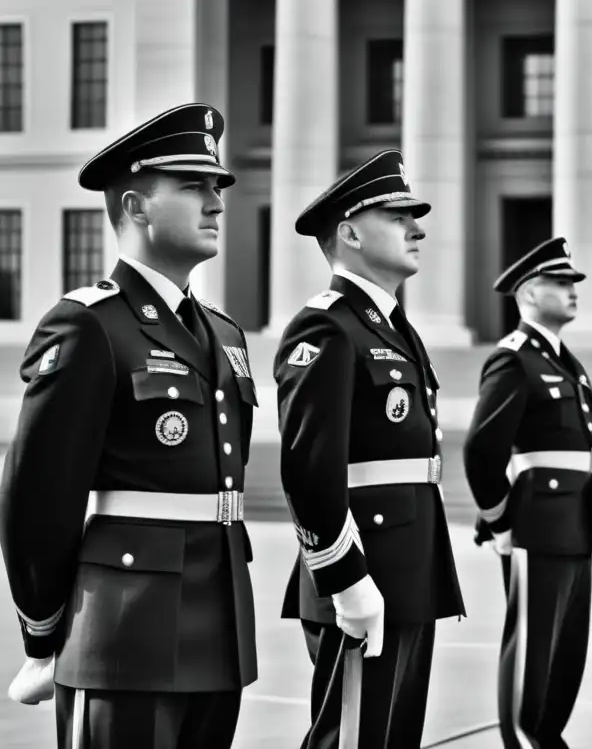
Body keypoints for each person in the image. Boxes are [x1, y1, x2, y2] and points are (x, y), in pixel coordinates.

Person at [0, 103, 258, 747]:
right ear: (137, 207)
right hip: (124, 629)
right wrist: (43, 628)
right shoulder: (89, 324)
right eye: (193, 186)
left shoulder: (223, 333)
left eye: (217, 187)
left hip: (219, 627)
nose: (216, 203)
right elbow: (38, 492)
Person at [274, 149, 465, 749]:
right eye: (397, 215)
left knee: (390, 736)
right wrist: (346, 579)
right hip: (364, 570)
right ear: (350, 233)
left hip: (407, 563)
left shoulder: (393, 327)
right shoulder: (327, 325)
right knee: (352, 738)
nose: (418, 228)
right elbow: (309, 467)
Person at [463, 237, 592, 749]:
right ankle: (523, 737)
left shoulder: (570, 361)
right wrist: (501, 521)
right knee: (533, 644)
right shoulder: (514, 360)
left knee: (568, 645)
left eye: (572, 283)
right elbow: (482, 453)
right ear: (527, 293)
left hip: (577, 518)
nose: (571, 291)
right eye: (559, 283)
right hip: (534, 522)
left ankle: (548, 735)